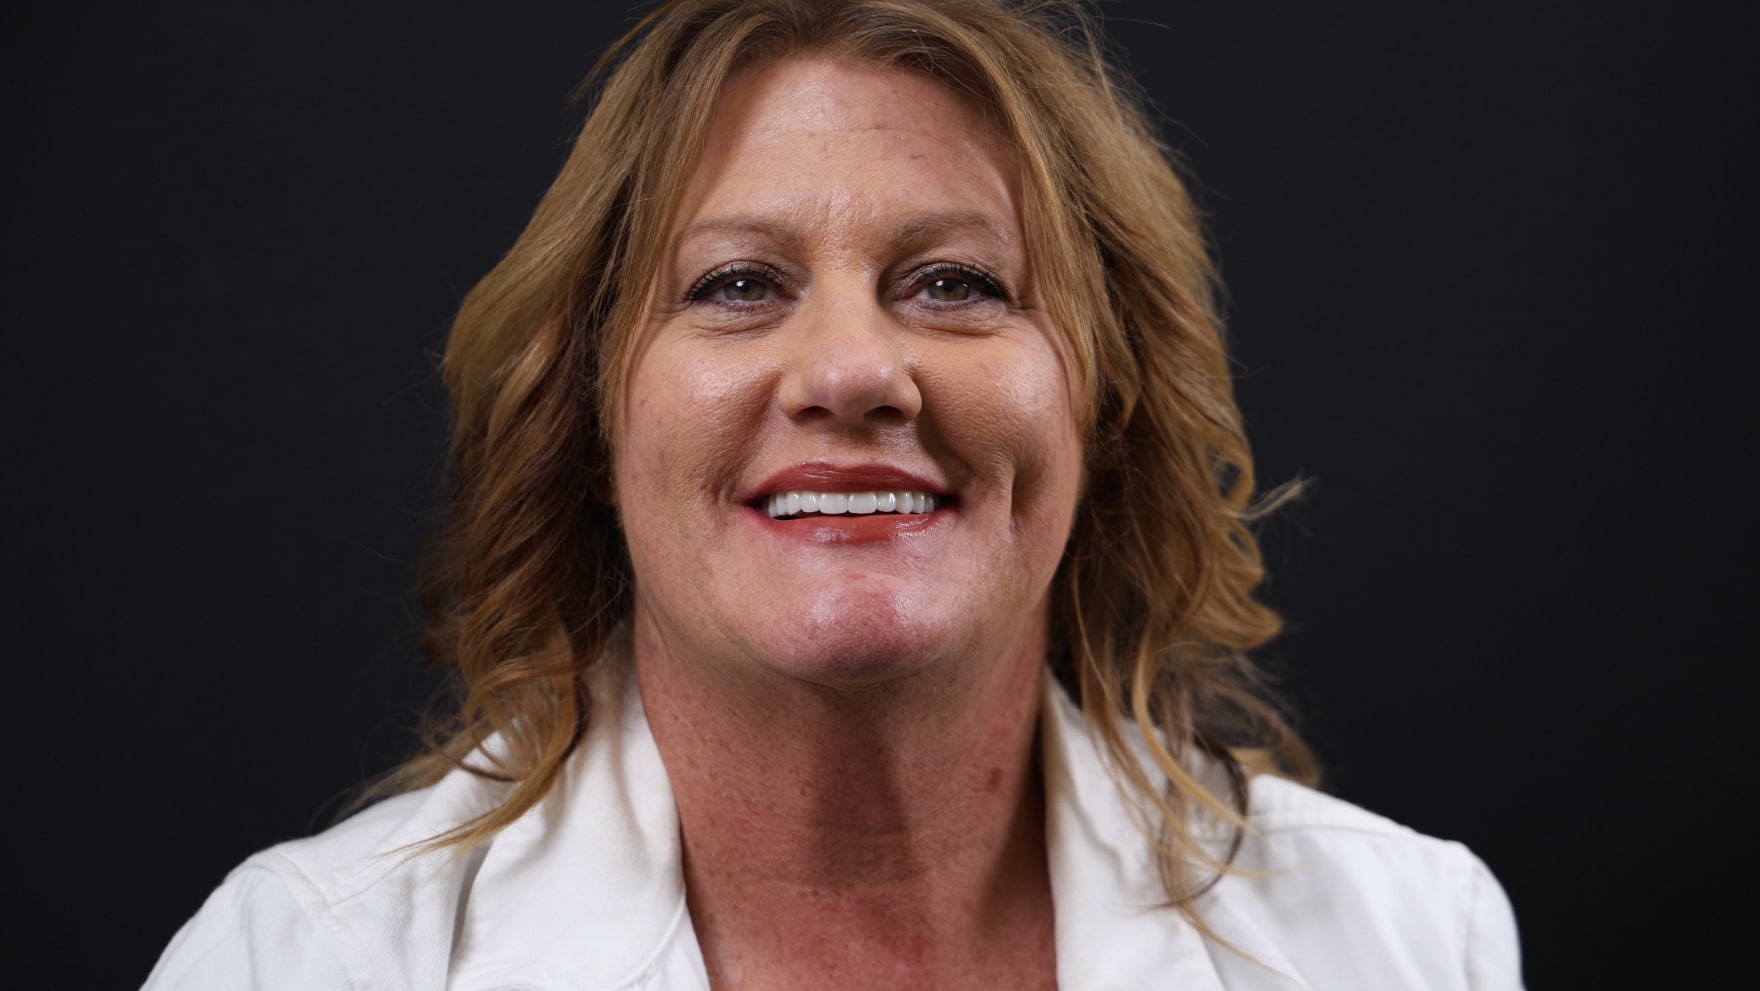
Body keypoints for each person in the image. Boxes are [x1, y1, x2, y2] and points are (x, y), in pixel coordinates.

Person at [147, 1, 1522, 988]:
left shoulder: (1404, 942)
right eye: (738, 284)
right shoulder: (301, 963)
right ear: (590, 423)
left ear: (1106, 413)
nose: (855, 369)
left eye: (957, 283)